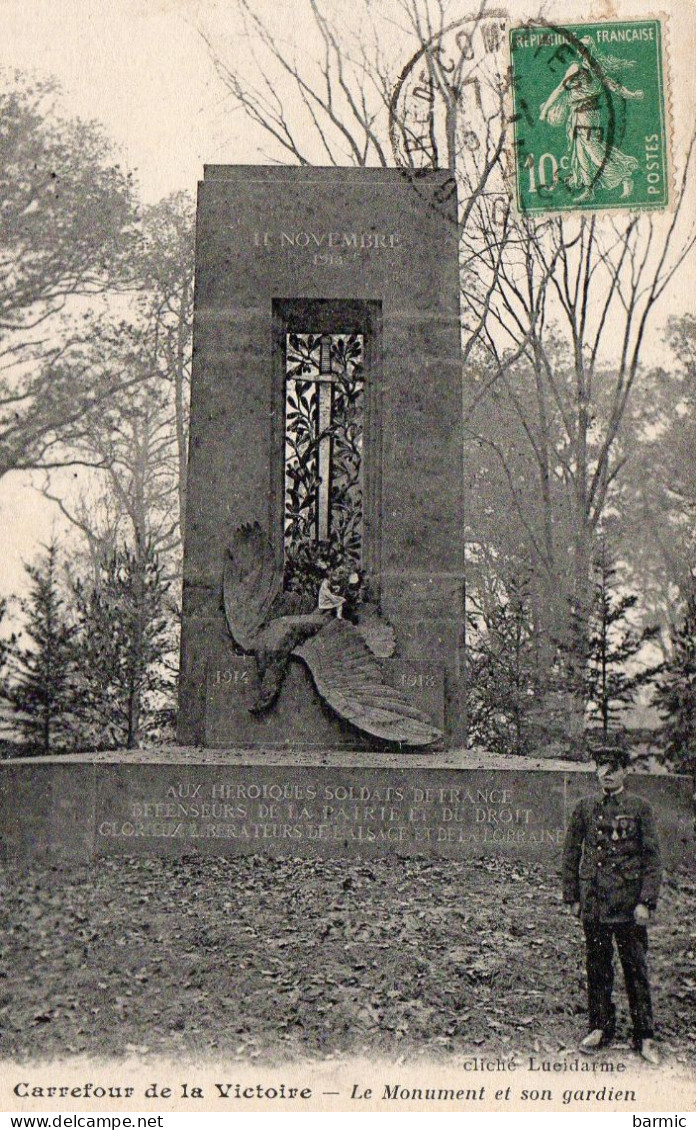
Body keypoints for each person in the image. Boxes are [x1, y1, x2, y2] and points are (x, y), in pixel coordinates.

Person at [562, 741, 662, 1064]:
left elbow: (652, 859)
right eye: (601, 767)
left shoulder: (639, 807)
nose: (607, 773)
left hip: (628, 905)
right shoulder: (584, 807)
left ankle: (644, 1035)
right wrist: (573, 896)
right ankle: (600, 1027)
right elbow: (571, 854)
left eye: (614, 768)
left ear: (625, 771)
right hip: (595, 903)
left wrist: (646, 901)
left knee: (635, 969)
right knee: (598, 968)